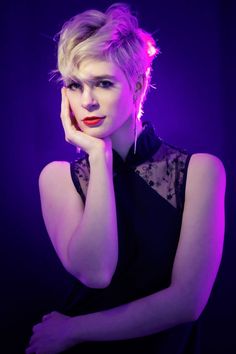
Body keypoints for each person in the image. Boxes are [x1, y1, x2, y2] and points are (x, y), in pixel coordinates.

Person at [26, 3, 226, 354]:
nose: (86, 101)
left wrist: (74, 329)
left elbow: (188, 303)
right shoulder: (57, 178)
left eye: (102, 83)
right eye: (74, 85)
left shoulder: (201, 172)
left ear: (137, 86)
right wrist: (99, 158)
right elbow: (97, 271)